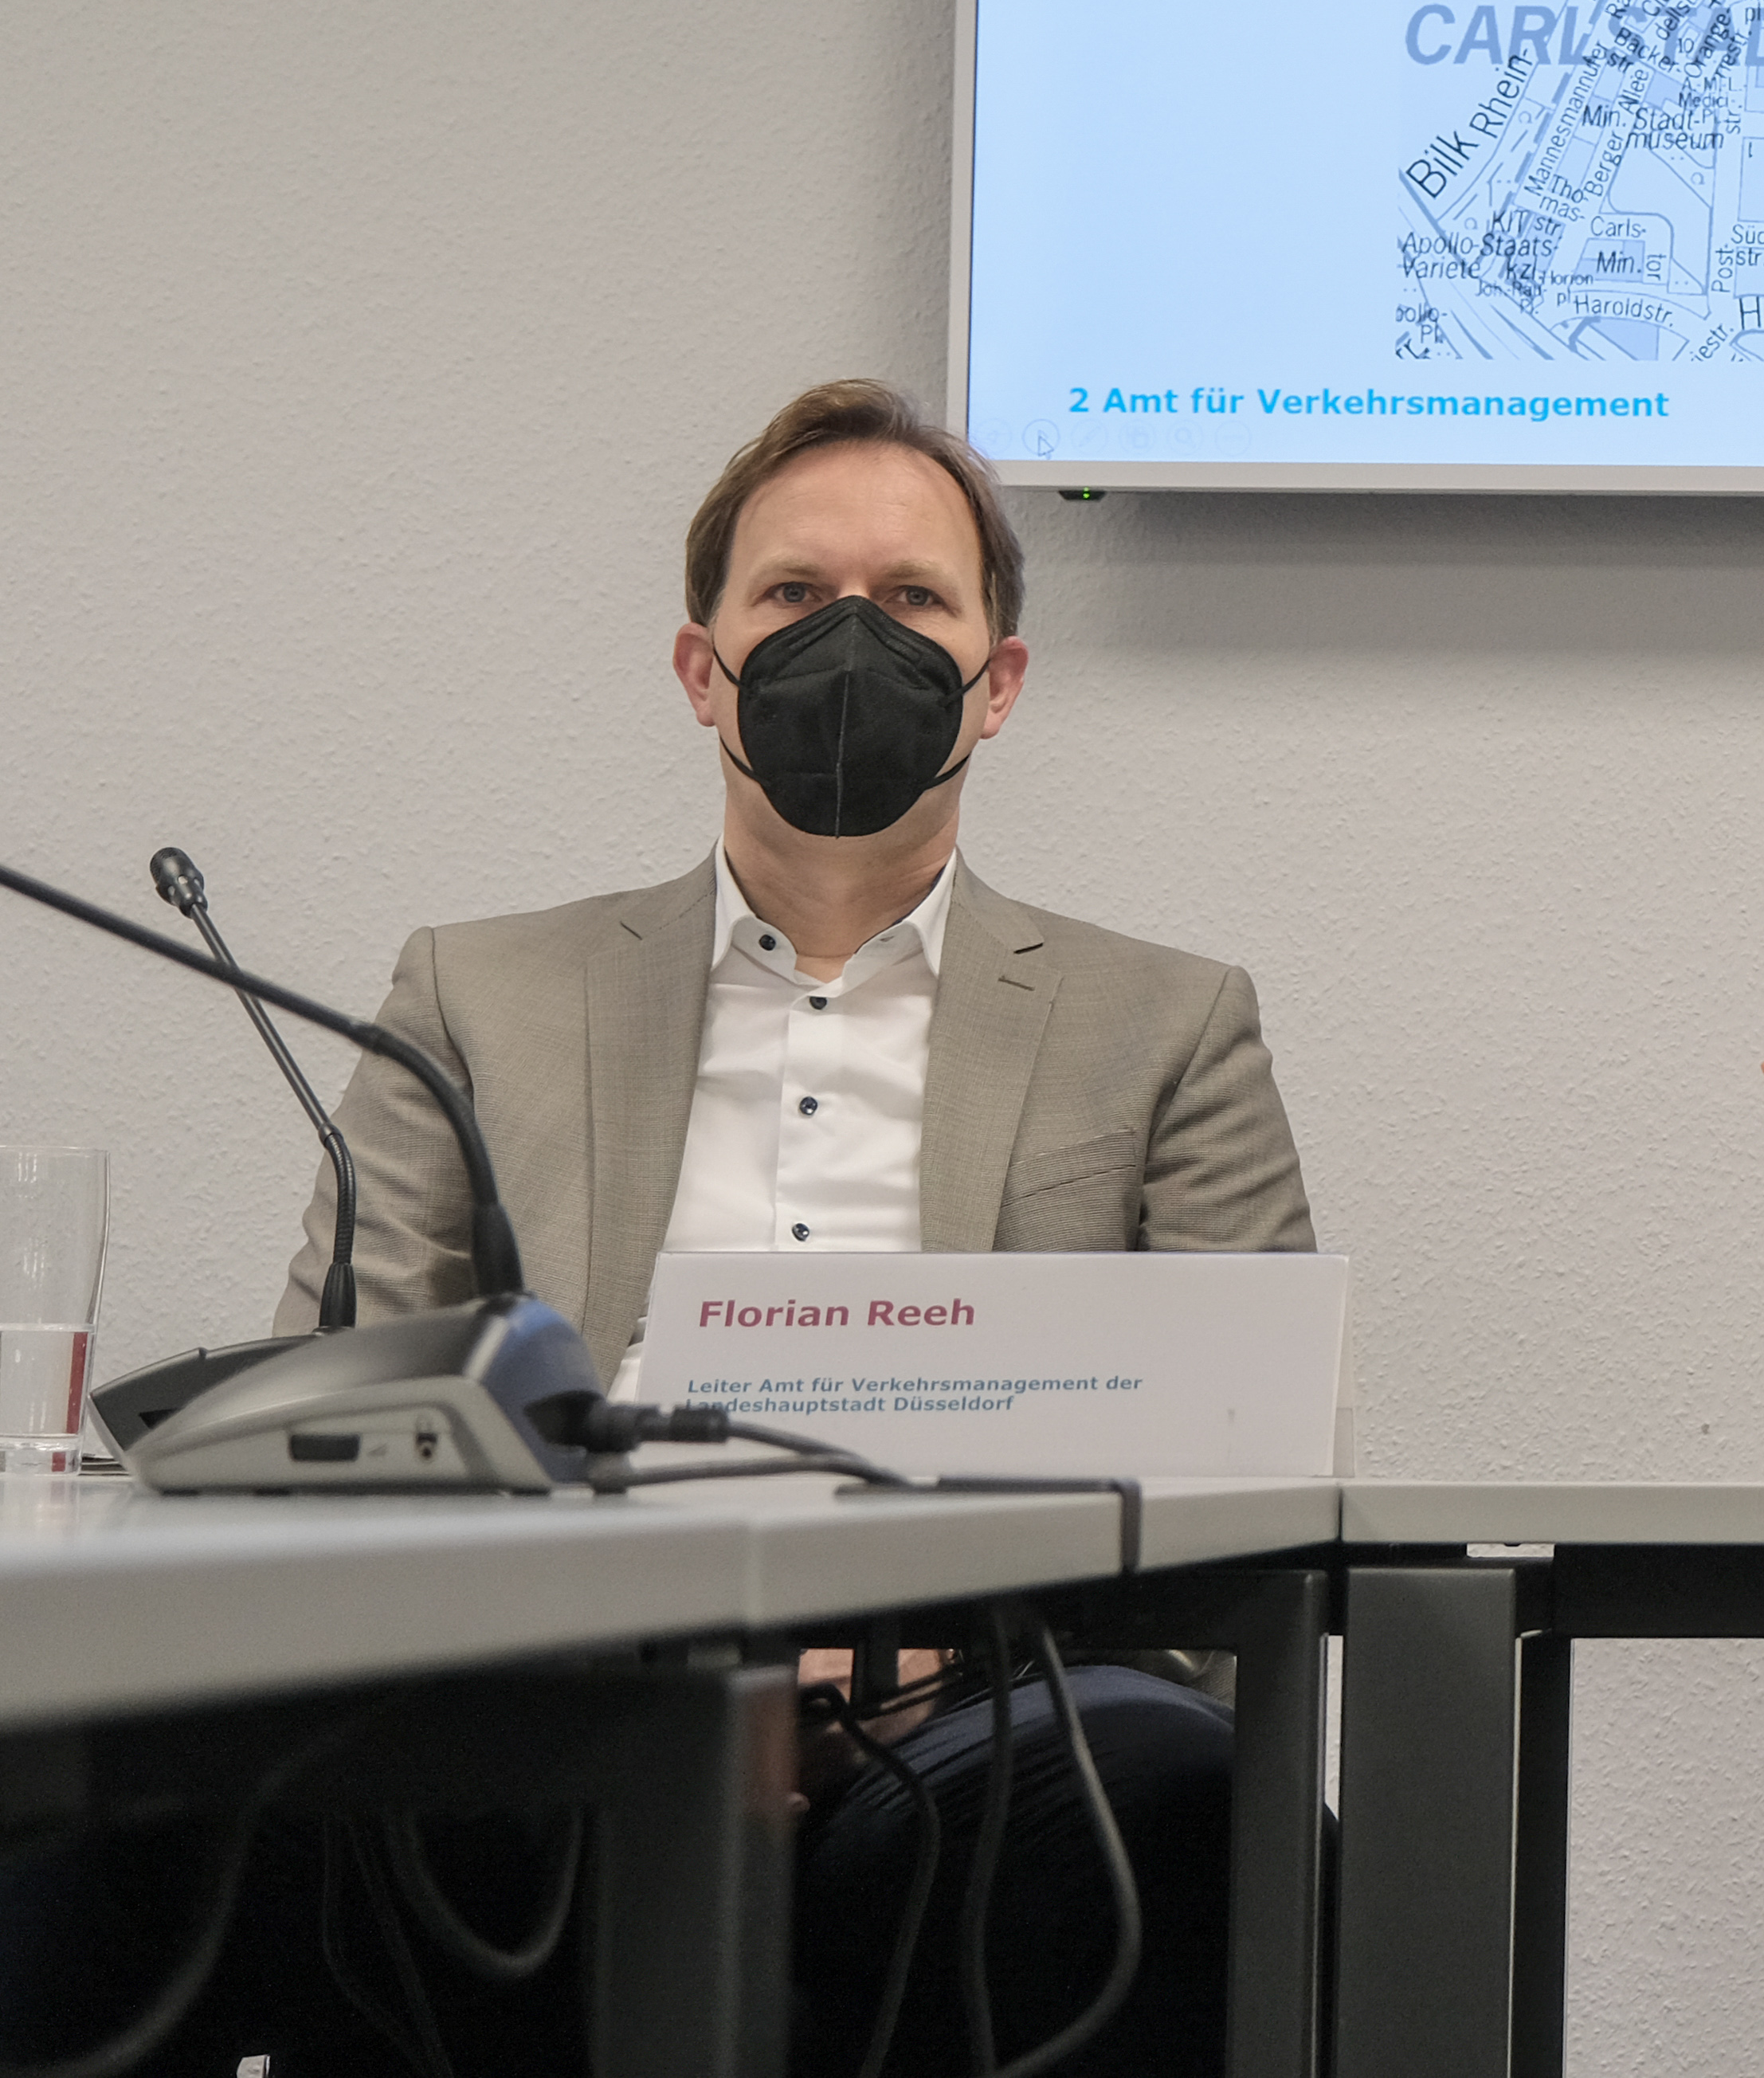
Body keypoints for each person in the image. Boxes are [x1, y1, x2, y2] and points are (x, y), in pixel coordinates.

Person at [177, 378, 1312, 2078]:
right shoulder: (471, 995)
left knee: (1162, 1783)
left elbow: (1254, 1457)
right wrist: (645, 1670)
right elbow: (343, 1408)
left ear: (997, 686)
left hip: (997, 1710)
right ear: (701, 666)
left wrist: (917, 1650)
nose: (850, 643)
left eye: (914, 601)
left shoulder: (1167, 1024)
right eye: (791, 598)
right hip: (564, 1697)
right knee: (206, 1808)